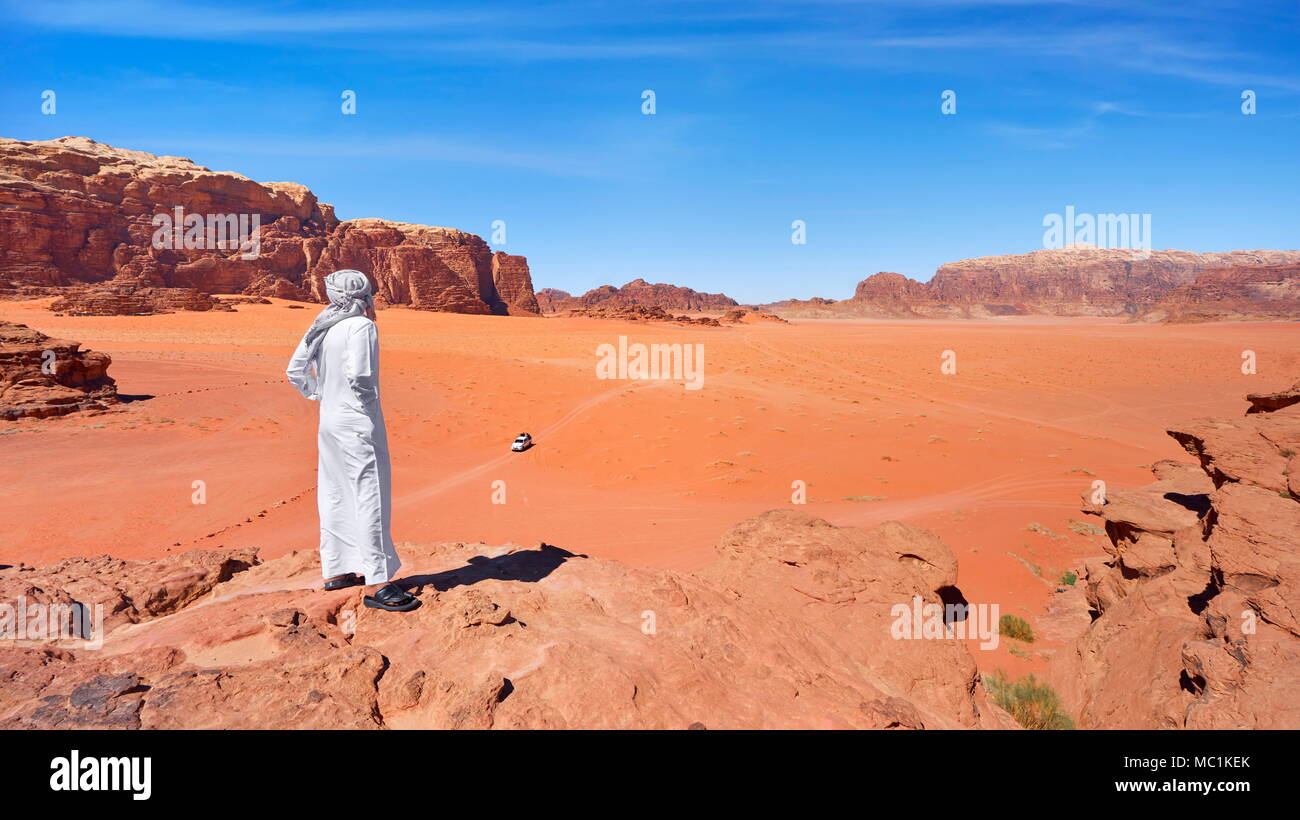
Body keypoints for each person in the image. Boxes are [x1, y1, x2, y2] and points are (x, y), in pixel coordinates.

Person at [286, 269, 419, 612]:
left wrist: (322, 394)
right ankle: (377, 582)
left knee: (334, 490)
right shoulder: (362, 326)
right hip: (357, 422)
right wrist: (364, 406)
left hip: (329, 420)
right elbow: (361, 375)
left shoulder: (324, 325)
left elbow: (294, 371)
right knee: (369, 491)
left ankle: (338, 570)